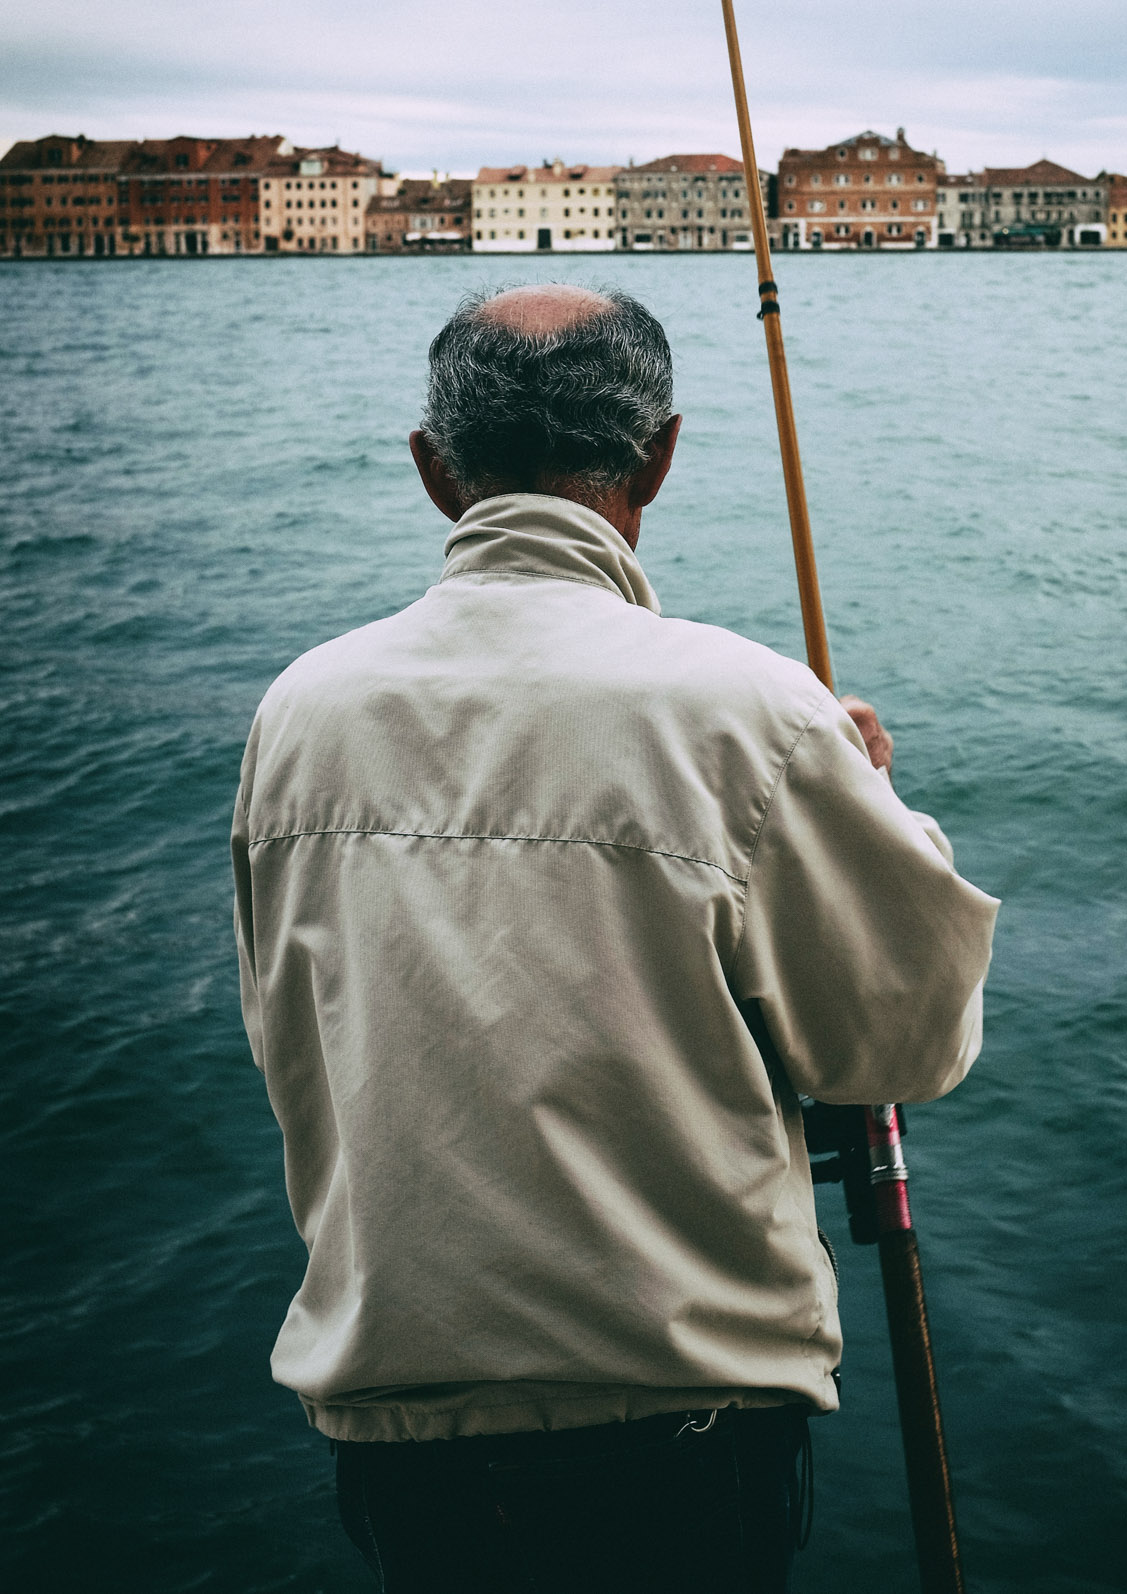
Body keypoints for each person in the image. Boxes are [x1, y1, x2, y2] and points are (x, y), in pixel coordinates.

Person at [232, 283, 997, 1593]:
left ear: (433, 470)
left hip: (401, 1434)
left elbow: (288, 1038)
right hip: (681, 1436)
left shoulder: (297, 718)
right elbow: (904, 1042)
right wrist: (864, 795)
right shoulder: (749, 710)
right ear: (661, 454)